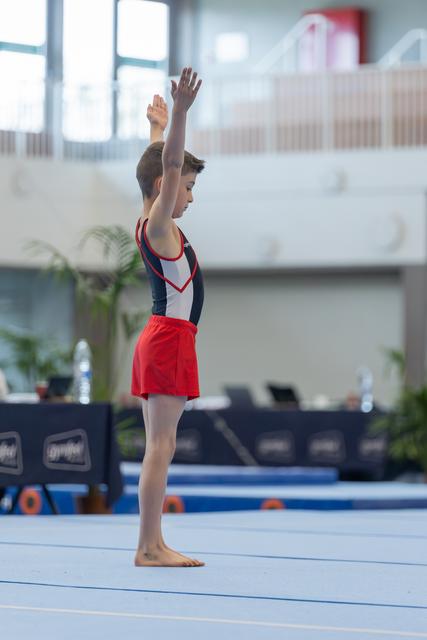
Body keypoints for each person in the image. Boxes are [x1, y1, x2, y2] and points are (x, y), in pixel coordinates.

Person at [131, 68, 205, 567]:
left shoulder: (144, 215)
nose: (190, 197)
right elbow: (170, 165)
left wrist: (155, 130)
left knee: (161, 444)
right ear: (164, 187)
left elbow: (159, 166)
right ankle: (148, 547)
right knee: (161, 445)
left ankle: (152, 543)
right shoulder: (159, 224)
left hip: (163, 337)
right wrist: (178, 114)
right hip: (169, 338)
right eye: (187, 187)